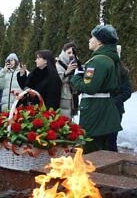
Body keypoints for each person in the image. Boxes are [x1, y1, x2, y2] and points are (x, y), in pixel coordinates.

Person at [71, 24, 122, 153]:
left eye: (92, 37)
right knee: (103, 150)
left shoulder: (98, 61)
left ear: (99, 41)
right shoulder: (109, 59)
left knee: (90, 150)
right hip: (104, 109)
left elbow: (90, 87)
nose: (89, 40)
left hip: (94, 110)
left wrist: (76, 76)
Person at [107, 45, 132, 151]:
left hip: (115, 110)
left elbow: (127, 92)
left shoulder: (122, 72)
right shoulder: (104, 68)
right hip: (103, 110)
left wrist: (112, 101)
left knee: (111, 140)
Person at [55, 42, 79, 118]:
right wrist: (66, 73)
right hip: (62, 96)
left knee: (69, 119)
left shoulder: (76, 64)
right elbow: (55, 81)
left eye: (73, 53)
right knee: (64, 119)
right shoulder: (58, 65)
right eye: (68, 53)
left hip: (71, 96)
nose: (71, 55)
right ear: (63, 53)